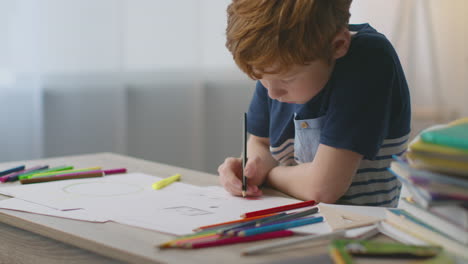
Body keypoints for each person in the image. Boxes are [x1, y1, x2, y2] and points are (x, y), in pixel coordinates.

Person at [218, 0, 411, 207]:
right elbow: (260, 143)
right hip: (295, 220)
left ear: (337, 45)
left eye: (287, 78)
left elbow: (322, 188)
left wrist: (269, 175)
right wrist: (251, 169)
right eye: (260, 77)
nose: (272, 93)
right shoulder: (275, 66)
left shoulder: (369, 59)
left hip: (360, 229)